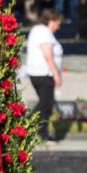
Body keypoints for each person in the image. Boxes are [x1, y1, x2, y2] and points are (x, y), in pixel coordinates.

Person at [25, 8, 65, 143]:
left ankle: (41, 132)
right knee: (45, 104)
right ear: (52, 21)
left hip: (38, 73)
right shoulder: (44, 32)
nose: (58, 27)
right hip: (44, 74)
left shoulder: (38, 30)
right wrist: (56, 74)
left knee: (46, 104)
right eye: (58, 24)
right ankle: (29, 126)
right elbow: (48, 55)